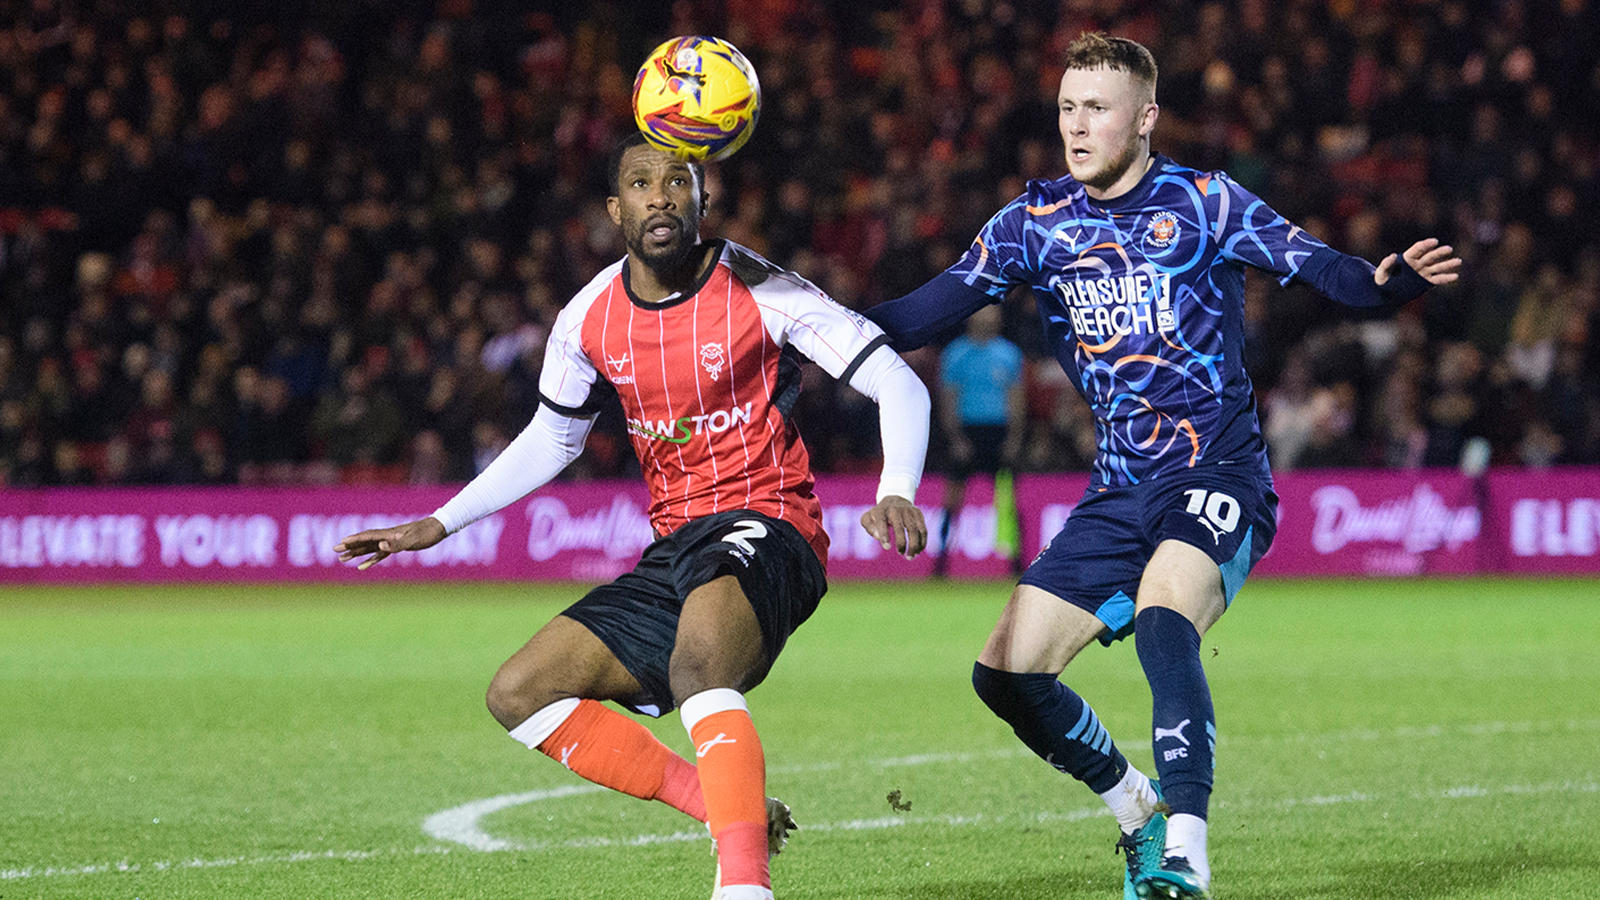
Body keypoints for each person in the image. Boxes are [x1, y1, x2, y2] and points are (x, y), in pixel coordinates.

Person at [863, 33, 1459, 900]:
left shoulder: (1207, 203)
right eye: (1067, 107)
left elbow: (1332, 272)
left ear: (1145, 119)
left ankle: (1187, 852)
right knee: (1005, 674)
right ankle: (1137, 808)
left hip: (1217, 473)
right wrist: (810, 329)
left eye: (1096, 108)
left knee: (1161, 615)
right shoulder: (1035, 223)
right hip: (1117, 491)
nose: (1076, 124)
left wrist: (1389, 282)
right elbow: (922, 312)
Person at [336, 132, 931, 900]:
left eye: (679, 181)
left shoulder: (763, 290)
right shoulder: (587, 317)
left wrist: (898, 487)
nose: (661, 195)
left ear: (702, 200)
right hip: (676, 545)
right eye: (642, 183)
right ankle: (727, 805)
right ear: (615, 210)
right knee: (519, 692)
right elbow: (554, 435)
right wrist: (442, 522)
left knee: (698, 669)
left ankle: (743, 888)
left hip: (770, 522)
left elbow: (896, 381)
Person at [933, 304, 1024, 576]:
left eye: (993, 314)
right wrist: (956, 437)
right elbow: (948, 399)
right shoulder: (956, 353)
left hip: (999, 430)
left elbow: (1017, 399)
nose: (988, 318)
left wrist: (1014, 437)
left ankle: (1016, 561)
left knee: (1007, 500)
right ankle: (941, 560)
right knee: (953, 499)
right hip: (968, 430)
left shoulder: (1008, 353)